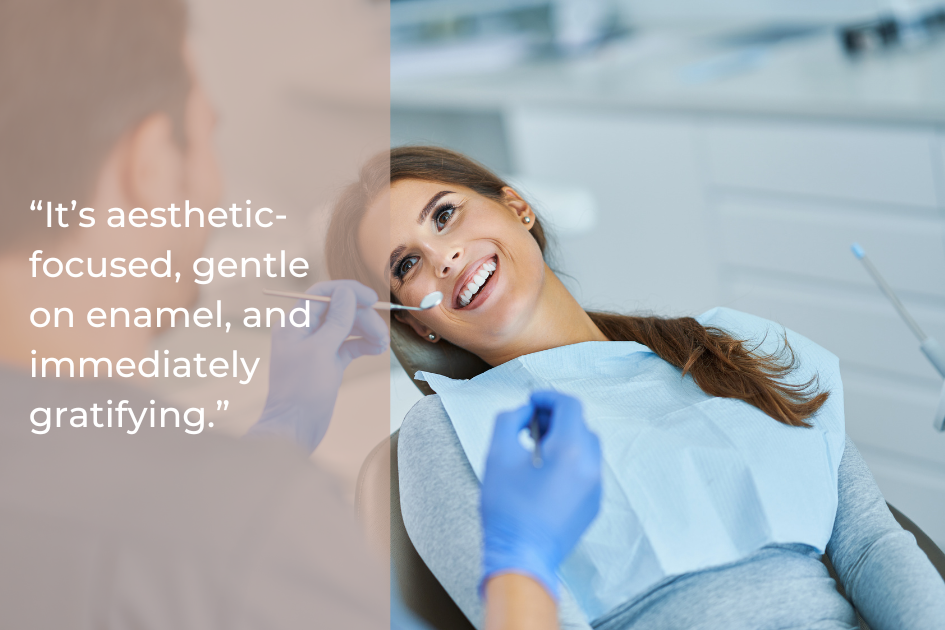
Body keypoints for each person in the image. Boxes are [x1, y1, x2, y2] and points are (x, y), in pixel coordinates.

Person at [0, 1, 603, 627]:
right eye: (210, 134)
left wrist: (280, 435)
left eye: (446, 216)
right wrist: (520, 565)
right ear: (149, 165)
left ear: (517, 207)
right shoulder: (260, 530)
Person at [325, 146, 945, 630]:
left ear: (517, 207)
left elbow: (869, 548)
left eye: (445, 215)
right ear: (416, 324)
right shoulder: (449, 433)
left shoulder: (727, 347)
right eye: (404, 265)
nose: (444, 258)